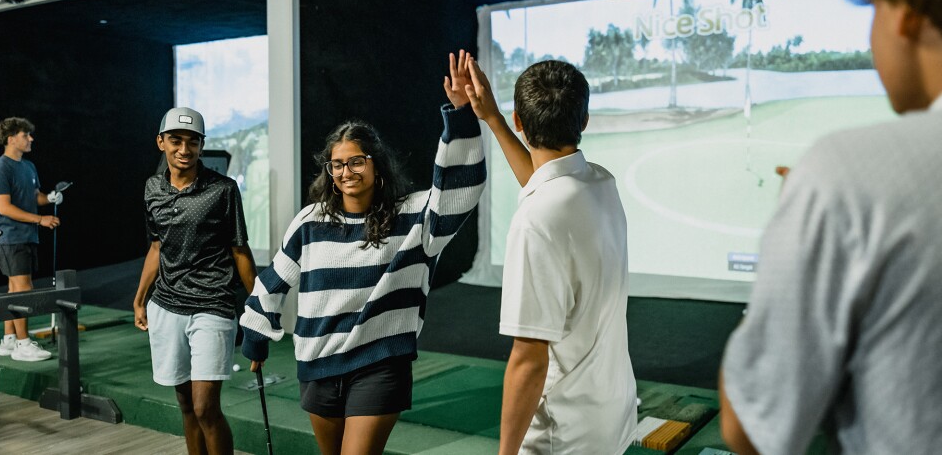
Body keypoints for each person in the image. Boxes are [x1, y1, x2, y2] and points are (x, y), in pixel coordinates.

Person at [719, 0, 942, 453]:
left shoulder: (846, 176)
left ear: (907, 14)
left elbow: (749, 426)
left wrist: (801, 236)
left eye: (873, 9)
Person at [239, 58, 486, 455]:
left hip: (379, 363)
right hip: (318, 365)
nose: (346, 171)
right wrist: (256, 331)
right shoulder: (310, 221)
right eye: (337, 164)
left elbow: (461, 189)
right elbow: (275, 278)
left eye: (356, 161)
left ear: (376, 164)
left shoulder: (414, 218)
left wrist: (459, 117)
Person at [456, 50, 638, 454]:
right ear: (584, 120)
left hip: (563, 436)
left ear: (522, 121)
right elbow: (545, 183)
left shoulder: (536, 220)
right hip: (612, 417)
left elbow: (529, 358)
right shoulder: (600, 183)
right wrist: (493, 119)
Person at [133, 107, 256, 455]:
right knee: (186, 406)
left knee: (205, 407)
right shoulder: (152, 189)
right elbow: (156, 247)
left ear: (202, 145)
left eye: (192, 142)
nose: (184, 149)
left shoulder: (223, 190)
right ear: (161, 142)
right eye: (176, 141)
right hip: (167, 305)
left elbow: (239, 250)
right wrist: (141, 298)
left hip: (212, 305)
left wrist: (260, 306)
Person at [0, 117, 63, 362]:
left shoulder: (28, 167)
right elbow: (5, 208)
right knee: (23, 290)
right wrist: (40, 220)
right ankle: (23, 344)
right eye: (25, 135)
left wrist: (49, 199)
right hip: (10, 238)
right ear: (11, 139)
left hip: (26, 237)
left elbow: (34, 197)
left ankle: (9, 340)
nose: (31, 139)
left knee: (14, 289)